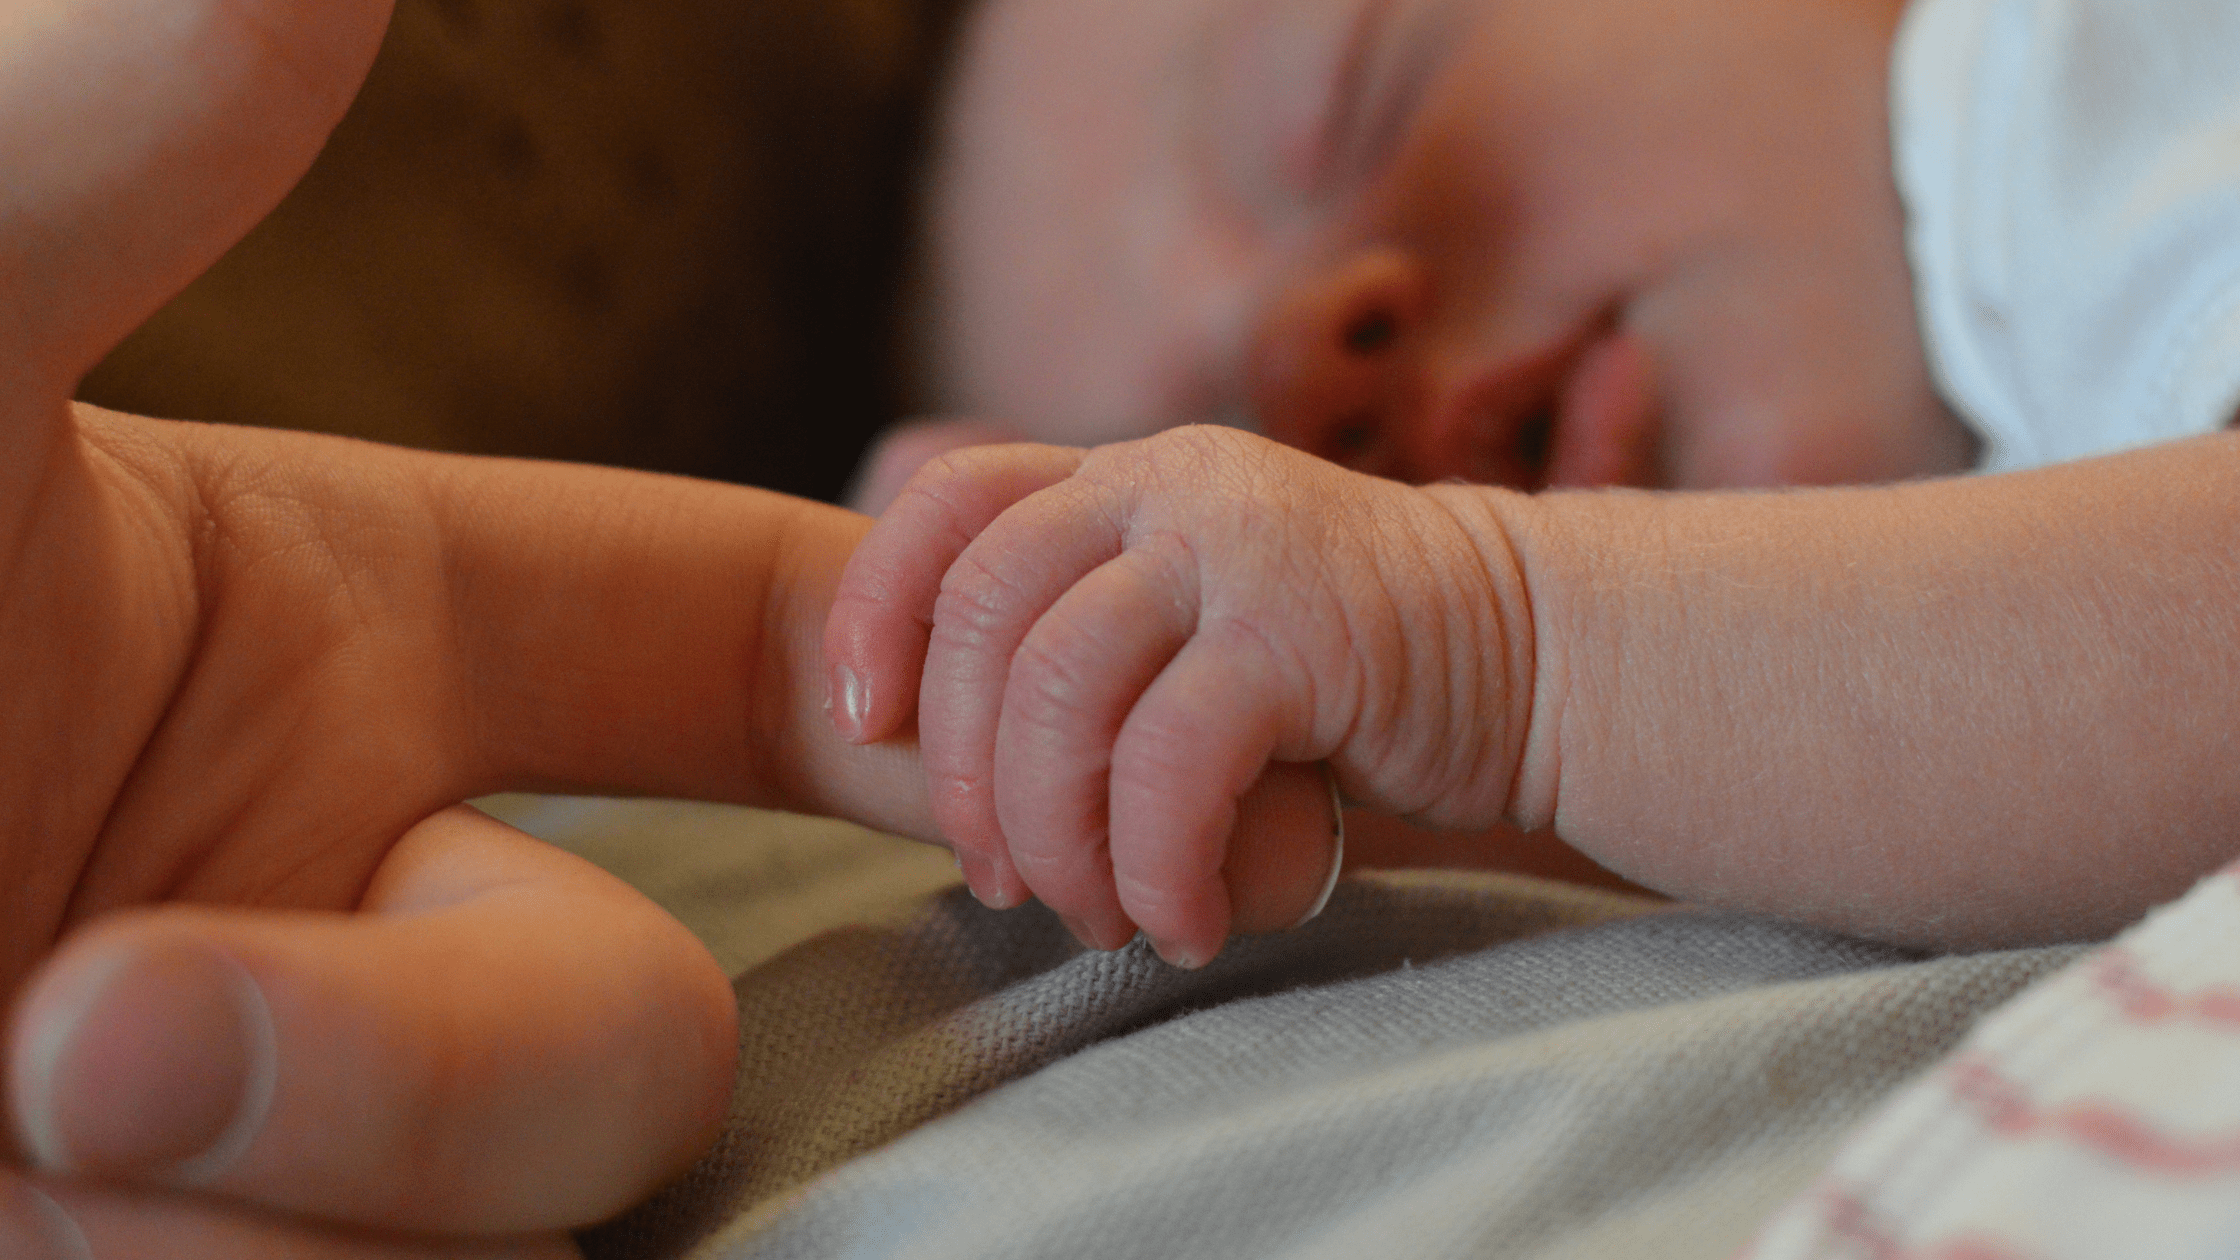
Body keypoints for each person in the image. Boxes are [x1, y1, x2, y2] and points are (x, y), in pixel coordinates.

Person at [823, 0, 2240, 968]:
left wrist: (1512, 642)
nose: (1304, 355)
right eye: (1238, 449)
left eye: (1352, 103)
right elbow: (1786, 769)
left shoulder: (2049, 73)